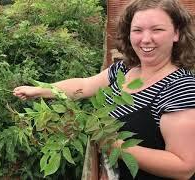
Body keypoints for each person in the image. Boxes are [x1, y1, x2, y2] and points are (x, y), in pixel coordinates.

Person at [13, 0, 195, 179]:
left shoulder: (180, 88)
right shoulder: (125, 69)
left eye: (157, 29)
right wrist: (39, 90)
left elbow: (183, 167)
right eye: (137, 30)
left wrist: (113, 145)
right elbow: (84, 86)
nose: (146, 39)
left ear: (176, 33)